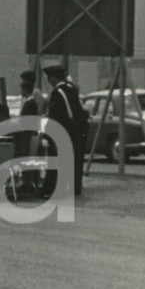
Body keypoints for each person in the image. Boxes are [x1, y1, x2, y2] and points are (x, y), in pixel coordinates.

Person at [41, 64, 87, 197]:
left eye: (49, 78)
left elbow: (55, 116)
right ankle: (74, 188)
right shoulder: (72, 88)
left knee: (55, 160)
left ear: (54, 78)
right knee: (76, 160)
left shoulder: (57, 93)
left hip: (64, 130)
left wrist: (46, 135)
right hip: (79, 130)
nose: (49, 81)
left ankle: (51, 189)